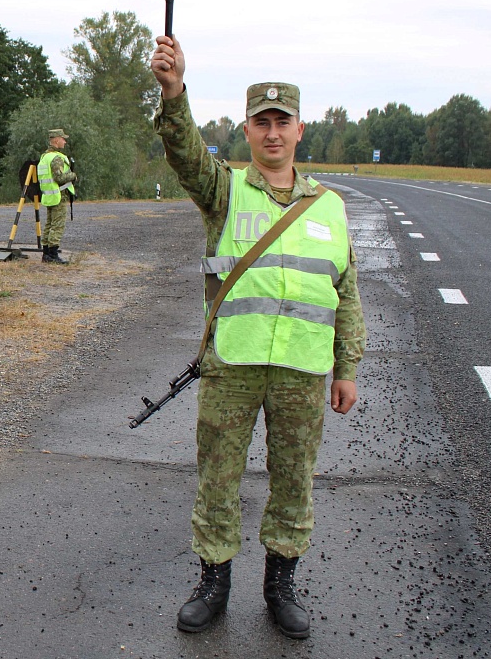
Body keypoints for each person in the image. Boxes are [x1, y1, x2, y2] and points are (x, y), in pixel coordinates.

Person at [149, 35, 365, 640]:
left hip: (302, 369)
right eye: (261, 122)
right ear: (246, 130)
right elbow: (184, 151)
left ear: (300, 130)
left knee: (293, 478)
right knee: (218, 474)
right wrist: (173, 93)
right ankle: (213, 580)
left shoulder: (329, 207)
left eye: (282, 122)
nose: (272, 133)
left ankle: (281, 583)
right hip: (232, 365)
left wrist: (345, 367)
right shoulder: (225, 192)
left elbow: (346, 292)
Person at [36, 129, 77, 264]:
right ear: (56, 140)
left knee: (49, 225)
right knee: (57, 226)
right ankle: (53, 255)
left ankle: (46, 254)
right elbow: (59, 178)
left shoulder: (44, 157)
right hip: (59, 196)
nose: (65, 141)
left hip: (49, 196)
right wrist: (73, 175)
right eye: (63, 139)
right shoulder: (56, 158)